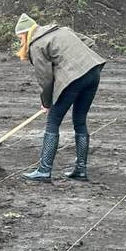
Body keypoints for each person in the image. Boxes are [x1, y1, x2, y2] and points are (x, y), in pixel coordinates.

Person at [14, 13, 105, 182]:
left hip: (73, 79)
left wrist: (46, 103)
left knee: (53, 121)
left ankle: (44, 170)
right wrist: (77, 61)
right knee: (80, 120)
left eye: (20, 38)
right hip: (93, 71)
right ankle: (81, 170)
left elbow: (45, 79)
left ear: (27, 34)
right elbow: (88, 42)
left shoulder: (36, 45)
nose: (20, 43)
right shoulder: (61, 30)